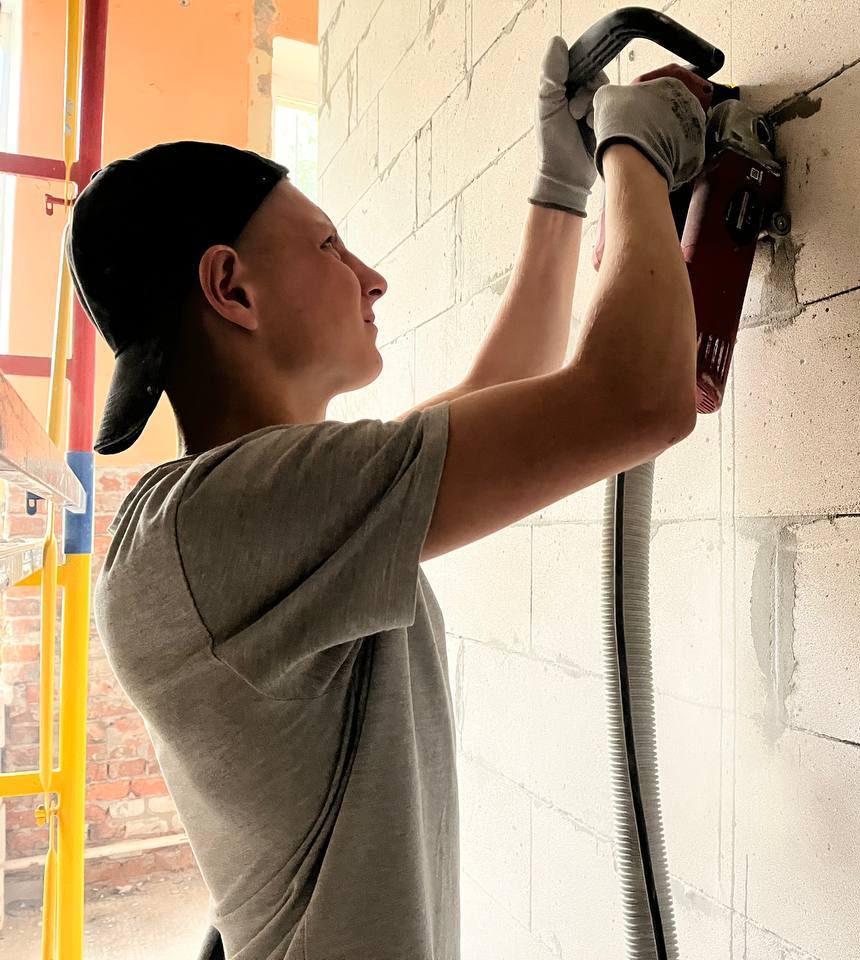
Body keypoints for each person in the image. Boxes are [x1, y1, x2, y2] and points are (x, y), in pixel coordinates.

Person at [69, 35, 705, 960]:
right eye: (329, 245)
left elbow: (501, 394)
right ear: (231, 287)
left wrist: (563, 186)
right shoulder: (217, 521)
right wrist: (635, 150)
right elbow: (640, 397)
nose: (373, 276)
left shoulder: (265, 509)